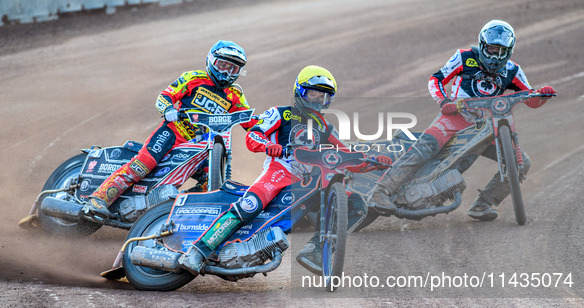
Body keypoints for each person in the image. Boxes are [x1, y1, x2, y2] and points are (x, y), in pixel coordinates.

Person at [178, 65, 392, 274]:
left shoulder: (327, 128)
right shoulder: (281, 114)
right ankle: (197, 251)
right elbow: (253, 135)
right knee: (249, 205)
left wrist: (373, 161)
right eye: (313, 95)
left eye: (324, 97)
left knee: (356, 204)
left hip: (310, 182)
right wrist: (270, 147)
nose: (318, 101)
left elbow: (348, 157)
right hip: (280, 170)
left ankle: (315, 250)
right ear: (299, 92)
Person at [370, 20, 556, 221]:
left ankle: (483, 205)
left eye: (501, 51)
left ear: (509, 51)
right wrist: (444, 102)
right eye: (491, 49)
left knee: (523, 163)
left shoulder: (513, 71)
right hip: (455, 118)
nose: (495, 56)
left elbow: (530, 99)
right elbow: (436, 79)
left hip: (487, 129)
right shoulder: (464, 57)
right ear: (483, 45)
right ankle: (381, 191)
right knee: (426, 145)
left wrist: (542, 96)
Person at [82, 40, 256, 219]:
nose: (226, 72)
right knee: (142, 166)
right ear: (211, 61)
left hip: (201, 147)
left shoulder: (235, 94)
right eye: (223, 65)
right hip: (173, 133)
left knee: (210, 182)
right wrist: (168, 110)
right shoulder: (193, 78)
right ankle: (97, 199)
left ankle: (171, 210)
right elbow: (164, 96)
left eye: (233, 69)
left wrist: (270, 128)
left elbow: (249, 121)